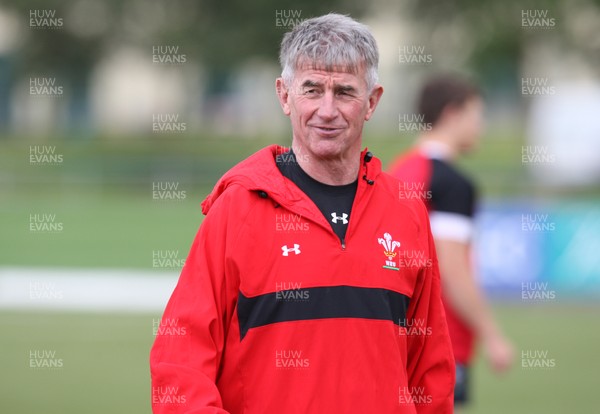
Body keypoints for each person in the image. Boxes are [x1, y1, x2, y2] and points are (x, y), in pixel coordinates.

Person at [150, 14, 454, 413]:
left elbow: (429, 373)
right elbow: (180, 363)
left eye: (345, 92)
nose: (327, 110)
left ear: (372, 102)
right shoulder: (237, 210)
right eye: (312, 89)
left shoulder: (406, 211)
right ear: (285, 95)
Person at [389, 75, 514, 409]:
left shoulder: (398, 171)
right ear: (452, 114)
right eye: (477, 115)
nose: (481, 127)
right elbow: (452, 268)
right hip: (439, 338)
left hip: (393, 336)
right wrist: (492, 335)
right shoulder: (452, 183)